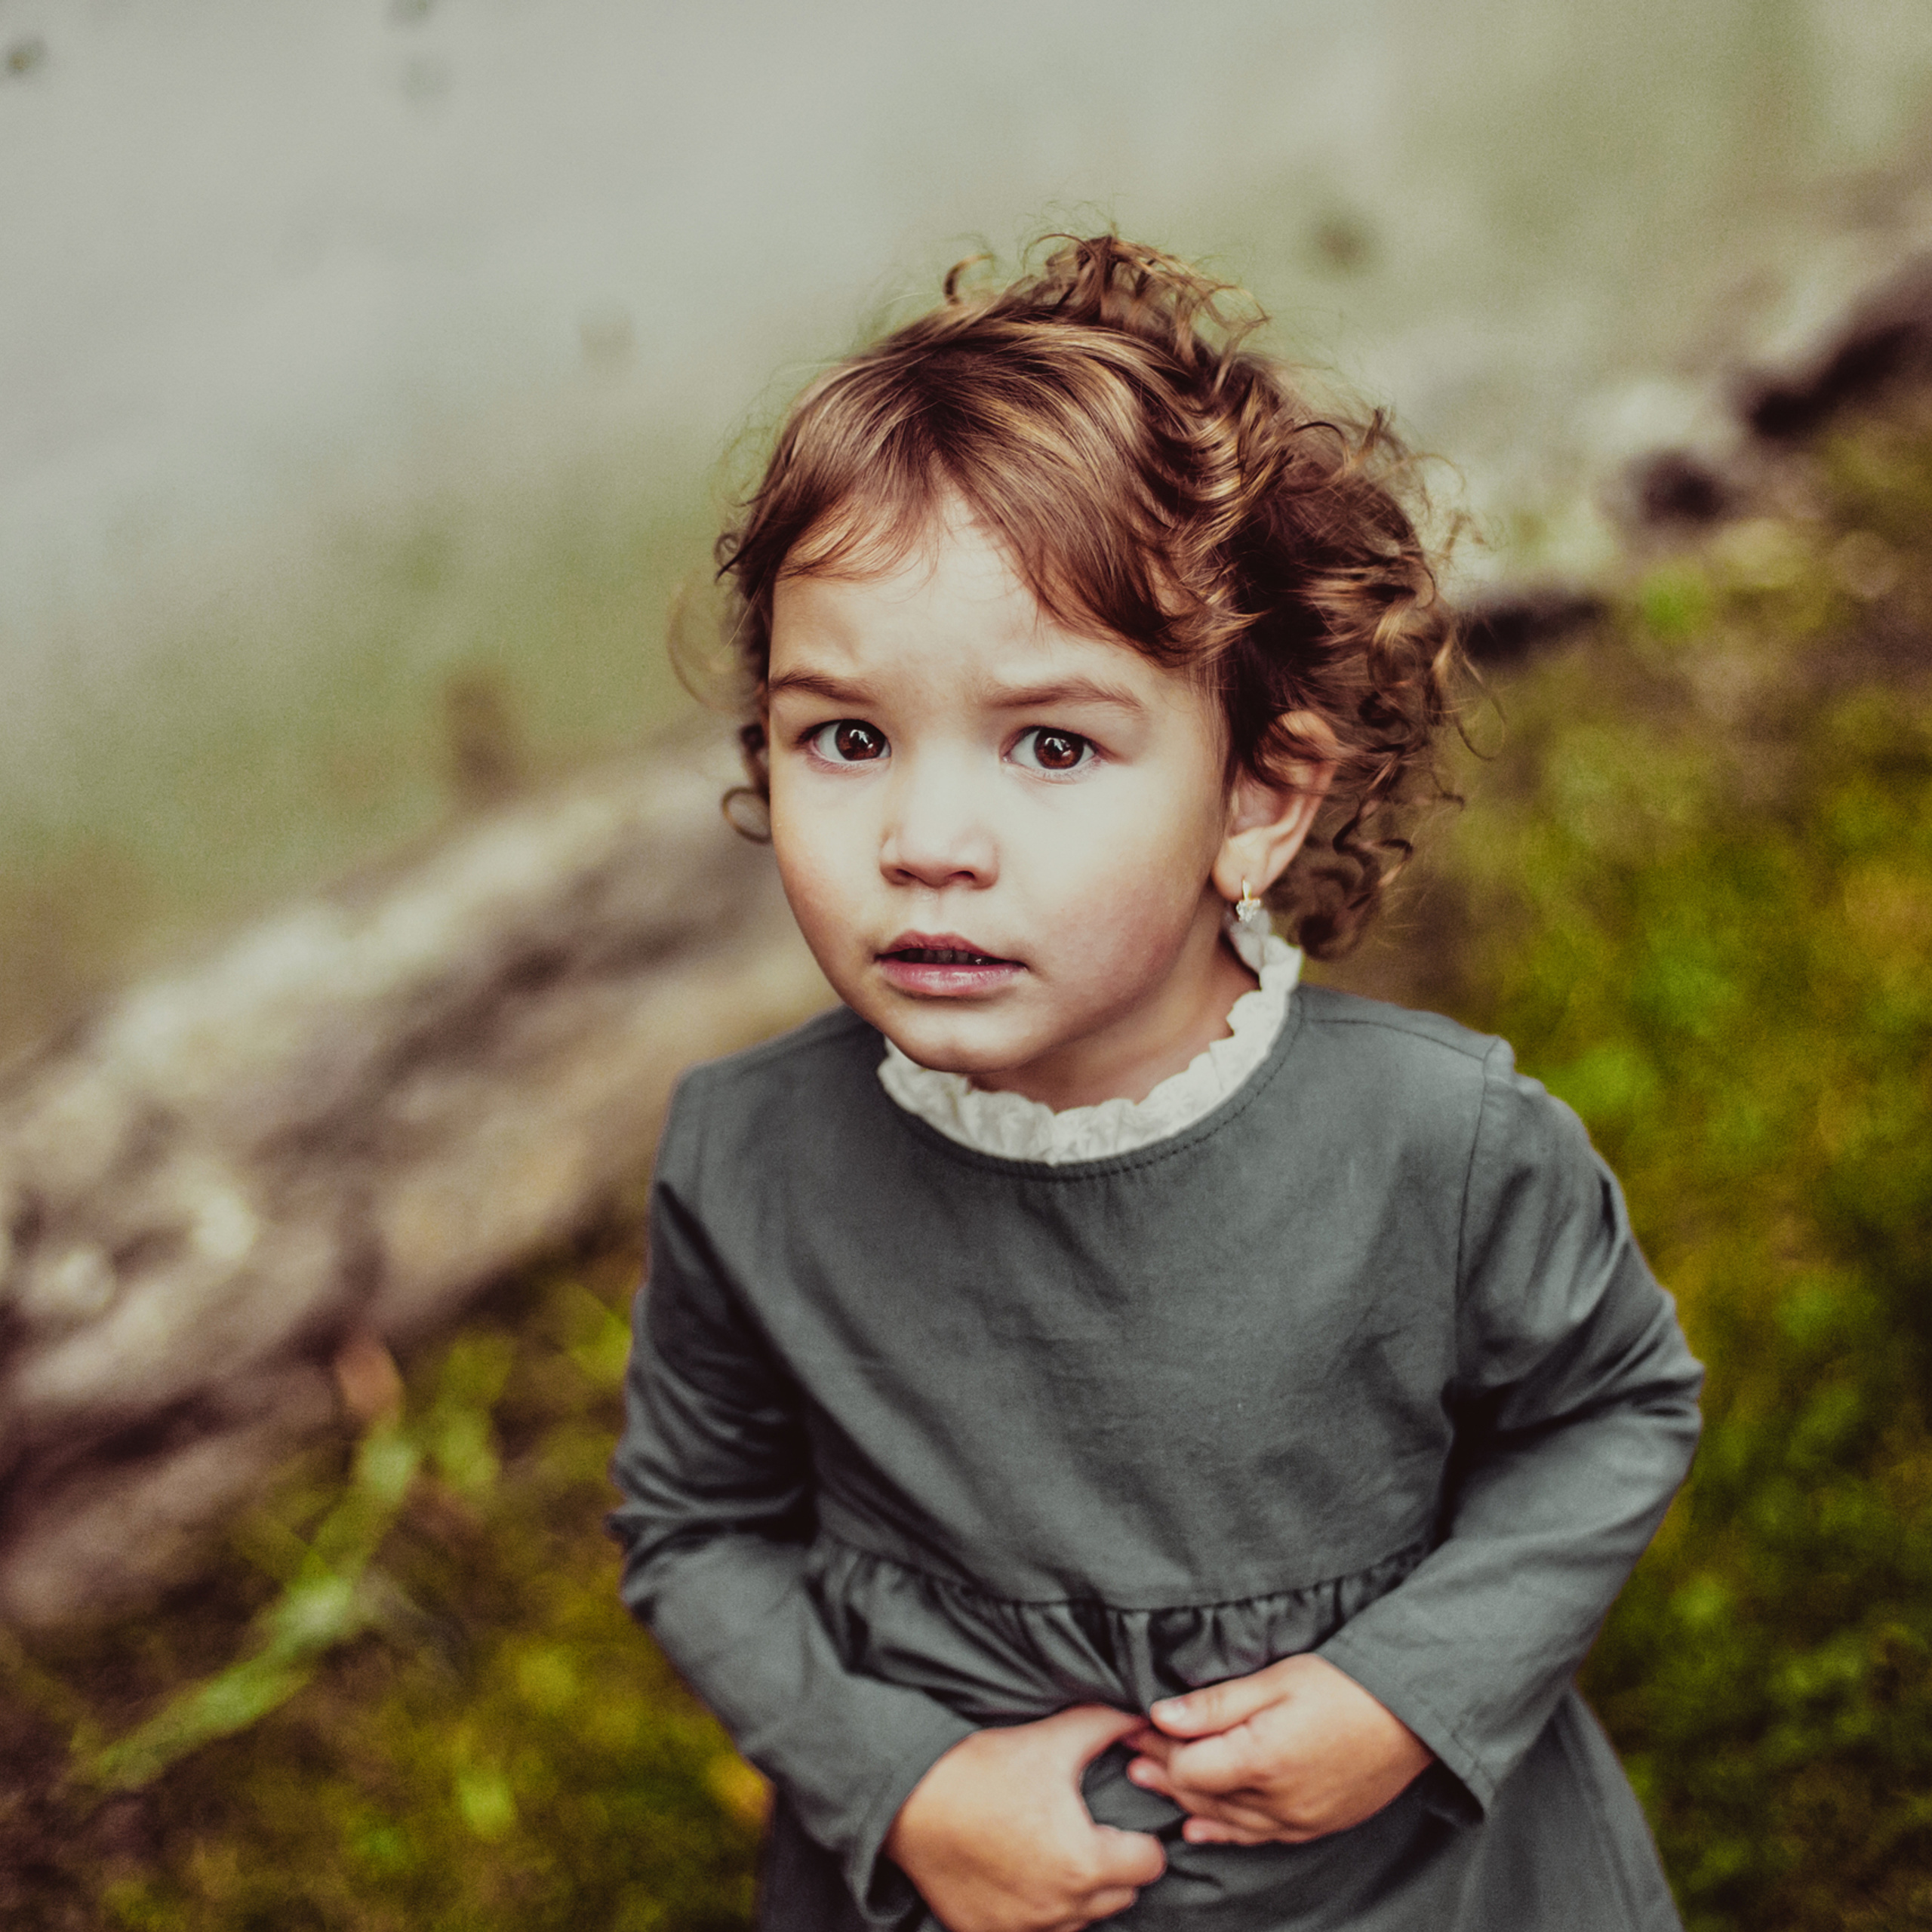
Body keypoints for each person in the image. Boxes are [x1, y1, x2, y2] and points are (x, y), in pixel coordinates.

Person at [608, 234, 1703, 1931]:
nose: (924, 842)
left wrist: (1403, 1690)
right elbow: (694, 1525)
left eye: (1051, 743)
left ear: (1257, 798)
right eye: (845, 734)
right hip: (979, 1880)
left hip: (1394, 1872)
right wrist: (896, 1781)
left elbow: (1610, 1411)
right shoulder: (747, 1157)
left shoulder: (1442, 1144)